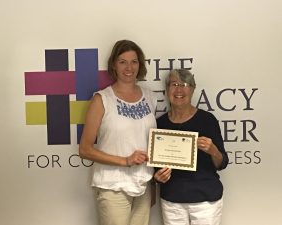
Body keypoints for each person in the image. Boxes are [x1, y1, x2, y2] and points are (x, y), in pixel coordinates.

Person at [79, 39, 157, 225]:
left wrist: (152, 184)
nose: (129, 67)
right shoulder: (102, 99)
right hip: (113, 185)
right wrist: (125, 161)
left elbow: (151, 143)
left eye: (134, 61)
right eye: (123, 62)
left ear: (140, 64)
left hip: (143, 184)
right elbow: (85, 149)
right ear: (114, 65)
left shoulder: (150, 97)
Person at [154, 69, 229, 225]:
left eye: (185, 85)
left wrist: (213, 150)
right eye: (174, 84)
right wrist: (158, 177)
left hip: (205, 202)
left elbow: (222, 163)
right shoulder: (160, 124)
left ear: (192, 90)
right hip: (172, 201)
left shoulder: (207, 120)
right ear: (167, 89)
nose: (179, 90)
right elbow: (156, 167)